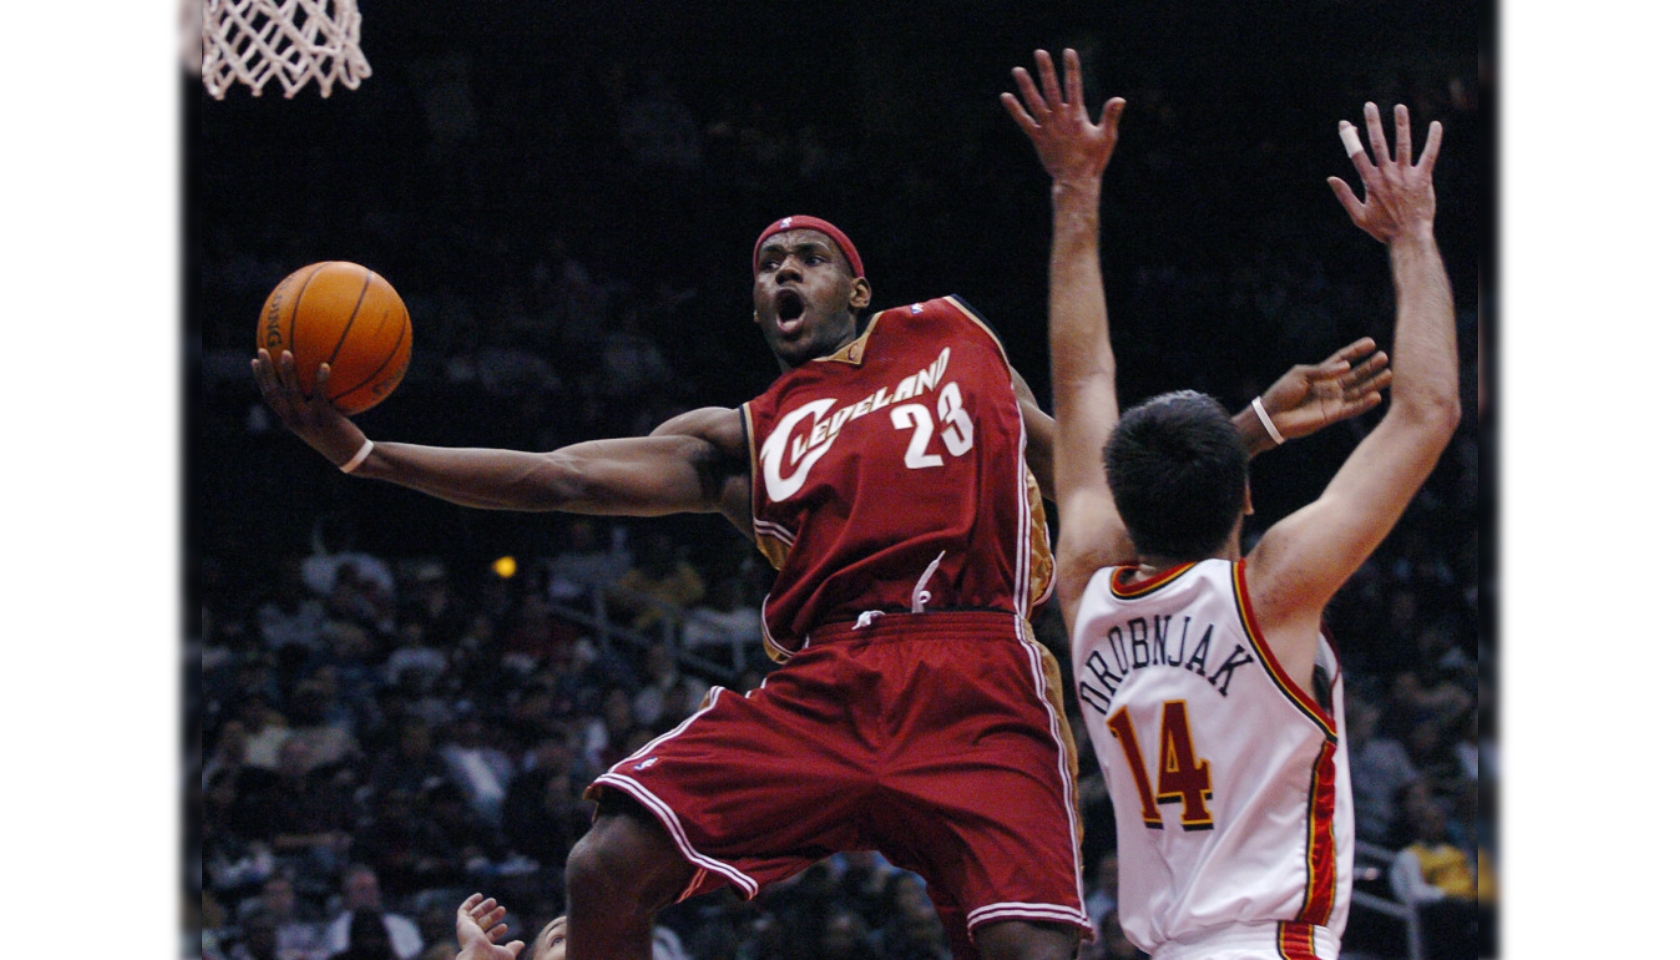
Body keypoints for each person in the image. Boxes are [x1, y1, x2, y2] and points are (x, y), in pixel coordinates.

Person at [255, 165, 1384, 960]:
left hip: (978, 674)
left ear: (856, 286)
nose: (783, 274)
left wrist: (1244, 433)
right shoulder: (742, 433)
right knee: (605, 866)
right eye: (767, 267)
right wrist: (367, 455)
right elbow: (564, 476)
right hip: (824, 684)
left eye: (807, 259)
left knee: (1037, 947)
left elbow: (1102, 475)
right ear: (757, 304)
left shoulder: (953, 340)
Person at [1006, 48, 1456, 960]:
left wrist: (1075, 191)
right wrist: (1412, 234)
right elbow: (1429, 408)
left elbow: (1084, 372)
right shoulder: (1272, 593)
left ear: (1116, 498)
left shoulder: (1088, 592)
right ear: (1250, 493)